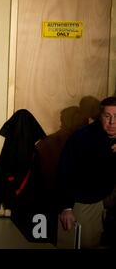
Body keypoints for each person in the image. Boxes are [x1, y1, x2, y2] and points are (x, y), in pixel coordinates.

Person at [58, 96, 116, 248]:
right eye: (107, 116)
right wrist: (67, 207)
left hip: (111, 197)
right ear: (99, 116)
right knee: (86, 243)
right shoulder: (81, 137)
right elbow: (66, 171)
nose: (112, 123)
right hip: (88, 199)